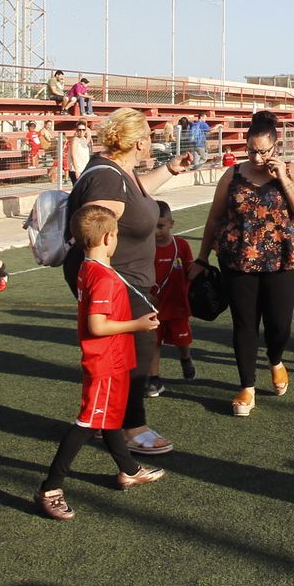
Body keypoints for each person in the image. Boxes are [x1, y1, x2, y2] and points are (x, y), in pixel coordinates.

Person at [65, 108, 191, 446]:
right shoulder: (107, 177)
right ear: (138, 142)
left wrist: (169, 169)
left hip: (125, 279)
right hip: (118, 281)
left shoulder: (121, 171)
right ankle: (131, 428)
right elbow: (93, 229)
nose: (151, 141)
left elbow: (134, 197)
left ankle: (110, 421)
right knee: (134, 354)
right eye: (148, 136)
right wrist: (106, 280)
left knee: (130, 352)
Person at [38, 205, 166, 521]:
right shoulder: (103, 277)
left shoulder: (89, 267)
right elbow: (97, 325)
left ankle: (129, 470)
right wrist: (138, 324)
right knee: (88, 423)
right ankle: (50, 488)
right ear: (109, 237)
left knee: (110, 417)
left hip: (113, 358)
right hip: (104, 361)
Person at [195, 109, 294, 417]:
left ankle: (275, 359)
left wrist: (283, 179)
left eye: (264, 151)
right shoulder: (233, 174)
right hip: (238, 259)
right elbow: (215, 217)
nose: (257, 157)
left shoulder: (290, 170)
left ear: (276, 146)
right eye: (251, 151)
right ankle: (247, 388)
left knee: (279, 324)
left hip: (282, 259)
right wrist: (202, 257)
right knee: (245, 323)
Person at [147, 201, 195, 392]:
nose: (156, 231)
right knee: (154, 342)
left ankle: (185, 358)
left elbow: (190, 270)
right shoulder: (146, 247)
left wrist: (202, 274)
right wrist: (145, 294)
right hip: (153, 306)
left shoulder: (181, 245)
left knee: (182, 339)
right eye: (152, 226)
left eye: (160, 226)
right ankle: (154, 378)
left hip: (177, 304)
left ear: (171, 223)